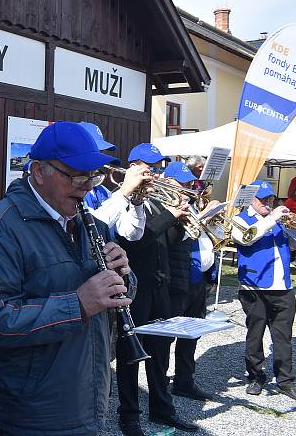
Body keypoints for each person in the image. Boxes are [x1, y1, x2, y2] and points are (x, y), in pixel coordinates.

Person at [0, 121, 132, 435]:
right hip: (32, 415)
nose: (88, 186)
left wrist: (124, 277)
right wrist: (78, 304)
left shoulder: (92, 223)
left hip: (88, 398)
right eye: (77, 175)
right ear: (39, 172)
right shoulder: (1, 228)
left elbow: (118, 296)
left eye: (93, 175)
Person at [115, 144, 198, 436]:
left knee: (160, 352)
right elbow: (137, 239)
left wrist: (184, 221)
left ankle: (162, 409)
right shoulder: (127, 199)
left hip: (161, 285)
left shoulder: (160, 198)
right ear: (134, 165)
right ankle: (129, 415)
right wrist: (170, 216)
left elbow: (169, 241)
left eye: (157, 166)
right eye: (149, 166)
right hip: (136, 287)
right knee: (130, 354)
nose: (155, 172)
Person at [231, 180, 296, 402]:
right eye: (263, 199)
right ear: (252, 200)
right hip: (253, 287)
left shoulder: (279, 221)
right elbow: (245, 238)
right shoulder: (240, 219)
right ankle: (255, 377)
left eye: (271, 199)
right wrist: (271, 219)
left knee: (283, 337)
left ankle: (285, 381)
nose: (268, 202)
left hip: (282, 287)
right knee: (255, 334)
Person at [161, 161, 215, 402]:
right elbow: (171, 239)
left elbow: (204, 237)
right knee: (166, 337)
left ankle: (185, 381)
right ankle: (159, 384)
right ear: (169, 181)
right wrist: (201, 217)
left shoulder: (190, 205)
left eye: (189, 185)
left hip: (197, 278)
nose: (187, 189)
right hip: (176, 280)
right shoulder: (164, 205)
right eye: (182, 184)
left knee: (192, 335)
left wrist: (211, 221)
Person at [79, 122, 149, 241]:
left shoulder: (103, 191)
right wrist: (124, 192)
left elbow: (132, 234)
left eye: (100, 152)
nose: (99, 158)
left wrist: (137, 203)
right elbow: (91, 227)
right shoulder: (69, 191)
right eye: (94, 152)